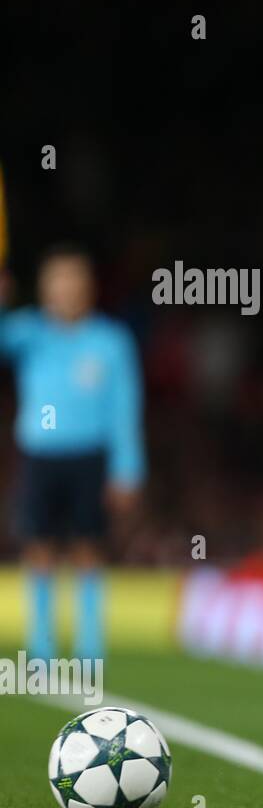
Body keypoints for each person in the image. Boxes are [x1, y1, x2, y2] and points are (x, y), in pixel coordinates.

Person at [0, 244, 144, 661]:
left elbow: (125, 406)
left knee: (88, 545)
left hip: (90, 455)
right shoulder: (28, 332)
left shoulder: (110, 340)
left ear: (89, 288)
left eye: (73, 280)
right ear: (44, 289)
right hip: (40, 456)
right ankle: (41, 641)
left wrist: (128, 467)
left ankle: (88, 641)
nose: (65, 290)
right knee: (38, 545)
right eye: (56, 281)